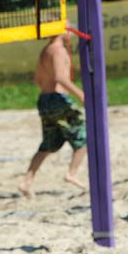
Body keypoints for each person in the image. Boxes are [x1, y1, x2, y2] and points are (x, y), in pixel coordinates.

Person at [19, 32, 88, 197]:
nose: (70, 30)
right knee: (84, 137)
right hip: (57, 100)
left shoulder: (46, 50)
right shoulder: (58, 50)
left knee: (48, 144)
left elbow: (38, 79)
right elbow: (60, 77)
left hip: (44, 100)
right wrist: (80, 94)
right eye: (67, 27)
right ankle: (72, 173)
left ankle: (26, 181)